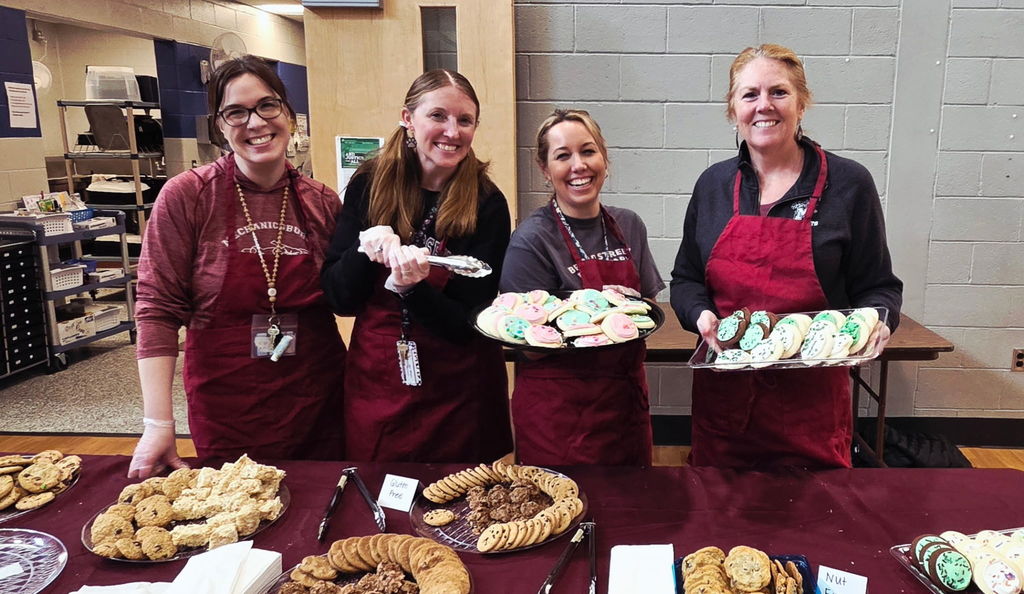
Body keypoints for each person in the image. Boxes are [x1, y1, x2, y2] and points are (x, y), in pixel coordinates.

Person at [669, 44, 903, 469]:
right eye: (749, 94)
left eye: (778, 92)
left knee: (816, 522)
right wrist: (701, 317)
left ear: (801, 103)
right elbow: (685, 279)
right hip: (726, 402)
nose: (764, 106)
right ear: (732, 108)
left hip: (810, 408)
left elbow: (879, 287)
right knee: (721, 522)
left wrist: (878, 323)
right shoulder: (713, 185)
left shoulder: (849, 184)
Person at [129, 55, 347, 478]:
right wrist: (157, 424)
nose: (256, 122)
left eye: (268, 105)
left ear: (289, 114)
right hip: (227, 401)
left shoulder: (323, 202)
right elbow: (156, 309)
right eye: (236, 112)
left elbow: (346, 297)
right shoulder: (189, 196)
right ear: (219, 125)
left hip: (317, 396)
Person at [320, 69, 512, 463]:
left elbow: (468, 324)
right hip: (380, 376)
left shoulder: (487, 203)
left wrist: (413, 288)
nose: (452, 131)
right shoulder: (369, 185)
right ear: (408, 119)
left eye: (465, 120)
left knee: (461, 501)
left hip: (459, 387)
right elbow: (340, 298)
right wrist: (364, 249)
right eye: (438, 116)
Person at [500, 109, 665, 466]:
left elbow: (648, 306)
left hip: (624, 407)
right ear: (545, 169)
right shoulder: (532, 240)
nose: (579, 165)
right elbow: (528, 347)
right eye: (563, 156)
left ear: (604, 157)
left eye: (588, 151)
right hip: (559, 416)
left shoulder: (629, 225)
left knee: (634, 511)